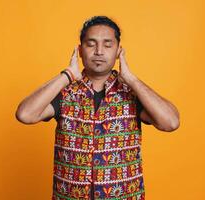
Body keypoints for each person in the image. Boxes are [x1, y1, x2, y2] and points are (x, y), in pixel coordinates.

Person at [15, 16, 180, 200]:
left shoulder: (132, 94)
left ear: (118, 51)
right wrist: (68, 74)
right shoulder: (65, 92)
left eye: (108, 44)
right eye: (91, 44)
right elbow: (25, 114)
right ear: (80, 50)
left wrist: (131, 79)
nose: (99, 51)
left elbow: (171, 122)